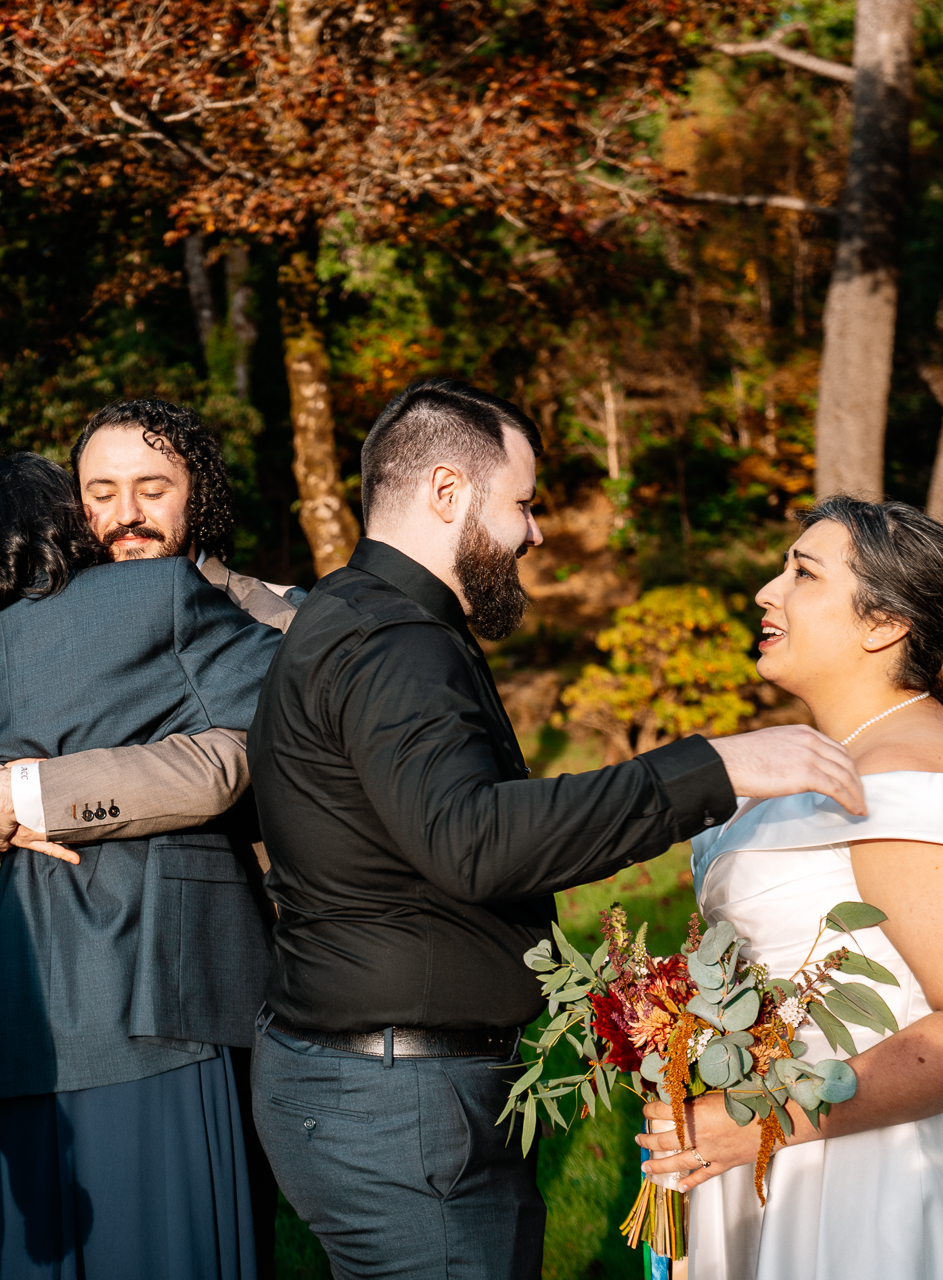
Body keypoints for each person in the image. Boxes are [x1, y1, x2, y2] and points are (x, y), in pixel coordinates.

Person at [246, 377, 867, 1279]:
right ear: (447, 492)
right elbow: (473, 841)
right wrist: (716, 768)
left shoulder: (353, 616)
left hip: (361, 1085)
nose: (536, 534)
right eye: (524, 506)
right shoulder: (396, 644)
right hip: (401, 1111)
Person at [634, 496, 943, 1279]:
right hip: (791, 1146)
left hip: (881, 1177)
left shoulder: (914, 782)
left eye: (803, 572)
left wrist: (760, 1123)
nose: (767, 590)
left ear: (882, 624)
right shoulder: (836, 760)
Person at [0, 399, 297, 1272]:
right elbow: (0, 732)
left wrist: (27, 792)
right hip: (103, 983)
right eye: (99, 493)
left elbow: (221, 764)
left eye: (153, 487)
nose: (125, 513)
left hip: (248, 962)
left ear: (199, 498)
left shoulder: (275, 616)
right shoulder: (49, 617)